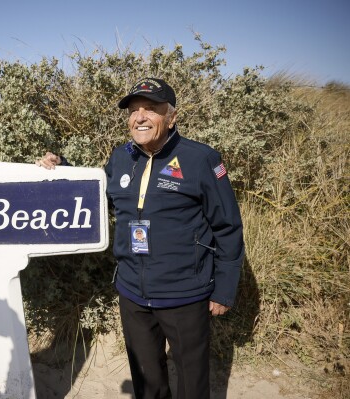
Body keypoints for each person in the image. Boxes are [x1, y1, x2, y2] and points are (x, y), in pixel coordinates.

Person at [36, 77, 245, 399]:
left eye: (151, 109)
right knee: (146, 381)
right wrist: (65, 169)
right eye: (134, 110)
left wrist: (225, 288)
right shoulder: (121, 157)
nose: (140, 117)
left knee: (192, 381)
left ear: (171, 117)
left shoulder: (201, 159)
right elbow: (99, 196)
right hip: (132, 290)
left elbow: (227, 225)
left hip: (185, 292)